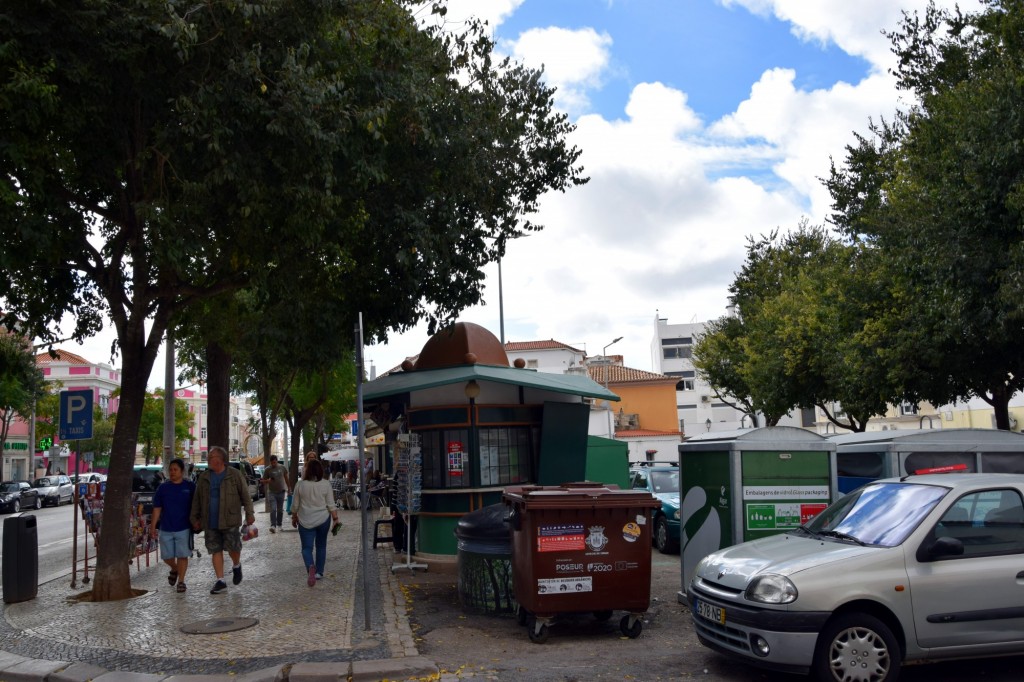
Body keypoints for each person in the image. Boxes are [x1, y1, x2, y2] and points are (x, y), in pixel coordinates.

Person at [190, 446, 255, 595]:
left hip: (230, 519)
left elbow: (245, 496)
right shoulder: (204, 477)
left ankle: (236, 565)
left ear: (220, 459)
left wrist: (249, 513)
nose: (209, 459)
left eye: (211, 457)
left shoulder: (235, 475)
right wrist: (194, 517)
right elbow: (197, 499)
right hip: (210, 520)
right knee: (215, 549)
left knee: (233, 548)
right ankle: (221, 581)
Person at [149, 458, 196, 593]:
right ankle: (174, 568)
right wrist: (153, 527)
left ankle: (181, 581)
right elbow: (157, 508)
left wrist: (197, 520)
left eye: (175, 469)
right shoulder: (163, 488)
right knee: (166, 556)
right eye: (170, 470)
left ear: (182, 471)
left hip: (184, 527)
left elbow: (196, 505)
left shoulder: (190, 486)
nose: (172, 472)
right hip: (166, 527)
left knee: (183, 555)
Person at [290, 458, 338, 587]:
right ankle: (319, 573)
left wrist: (294, 517)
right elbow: (331, 504)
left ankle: (310, 566)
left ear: (307, 471)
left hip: (305, 520)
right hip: (323, 519)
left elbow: (294, 505)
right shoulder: (326, 484)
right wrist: (335, 519)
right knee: (321, 546)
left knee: (306, 548)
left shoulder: (300, 485)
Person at [259, 455, 290, 533]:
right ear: (270, 462)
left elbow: (286, 478)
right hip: (272, 492)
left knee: (280, 510)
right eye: (272, 463)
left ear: (277, 461)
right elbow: (262, 480)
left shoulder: (282, 468)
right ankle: (273, 525)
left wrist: (289, 488)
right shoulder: (267, 470)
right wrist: (267, 481)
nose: (273, 464)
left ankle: (279, 525)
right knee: (273, 509)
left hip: (281, 492)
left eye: (274, 462)